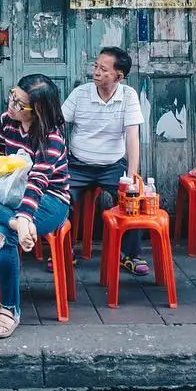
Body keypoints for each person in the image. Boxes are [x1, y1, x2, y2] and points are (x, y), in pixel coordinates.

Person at [0, 74, 71, 340]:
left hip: (50, 200)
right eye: (12, 96)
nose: (12, 105)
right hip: (12, 194)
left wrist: (27, 214)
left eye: (20, 104)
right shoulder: (6, 122)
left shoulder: (51, 137)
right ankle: (15, 223)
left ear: (38, 110)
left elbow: (38, 182)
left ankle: (9, 310)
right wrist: (16, 216)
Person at [61, 47, 149, 277]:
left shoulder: (128, 96)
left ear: (118, 76)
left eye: (103, 69)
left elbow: (132, 137)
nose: (96, 72)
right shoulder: (81, 93)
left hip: (112, 167)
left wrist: (130, 177)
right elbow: (57, 123)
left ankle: (130, 255)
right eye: (95, 66)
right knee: (60, 197)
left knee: (135, 199)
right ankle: (63, 251)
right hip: (77, 165)